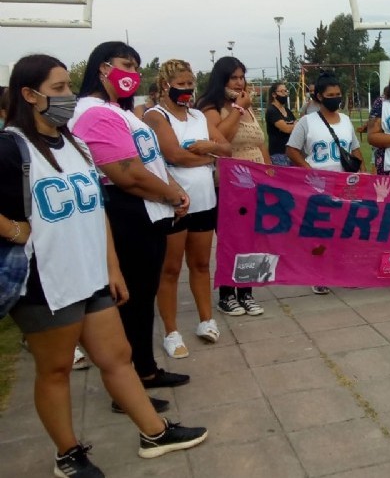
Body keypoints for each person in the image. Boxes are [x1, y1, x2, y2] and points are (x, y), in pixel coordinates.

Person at [2, 54, 207, 477]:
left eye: (67, 88)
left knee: (117, 356)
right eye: (58, 89)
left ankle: (154, 433)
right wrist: (15, 232)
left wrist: (111, 268)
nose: (68, 97)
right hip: (46, 281)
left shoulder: (73, 144)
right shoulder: (10, 147)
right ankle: (68, 454)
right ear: (29, 94)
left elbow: (97, 212)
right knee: (56, 369)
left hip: (91, 274)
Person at [70, 41, 192, 393]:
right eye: (126, 64)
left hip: (149, 211)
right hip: (128, 212)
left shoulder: (119, 111)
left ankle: (146, 369)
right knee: (130, 302)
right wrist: (171, 194)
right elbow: (126, 173)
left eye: (137, 67)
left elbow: (149, 162)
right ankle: (128, 387)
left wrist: (173, 192)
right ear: (103, 67)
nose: (133, 74)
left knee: (141, 300)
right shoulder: (95, 113)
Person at [144, 59, 231, 359]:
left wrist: (209, 148)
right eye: (180, 84)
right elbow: (174, 155)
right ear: (165, 85)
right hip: (174, 202)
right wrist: (210, 156)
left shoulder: (197, 115)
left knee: (201, 265)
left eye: (191, 83)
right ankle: (171, 331)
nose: (187, 89)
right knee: (169, 269)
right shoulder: (156, 116)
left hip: (205, 200)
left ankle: (206, 320)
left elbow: (226, 148)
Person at [197, 56, 268, 317]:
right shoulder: (211, 106)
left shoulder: (247, 106)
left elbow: (259, 143)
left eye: (242, 77)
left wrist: (271, 173)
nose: (240, 83)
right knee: (231, 239)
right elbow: (220, 140)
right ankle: (227, 294)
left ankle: (246, 292)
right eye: (234, 78)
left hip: (255, 183)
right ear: (222, 79)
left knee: (251, 239)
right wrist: (238, 108)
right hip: (228, 184)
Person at [287, 72, 365, 294]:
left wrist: (363, 172)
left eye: (338, 94)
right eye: (330, 95)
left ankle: (344, 272)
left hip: (344, 184)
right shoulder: (306, 122)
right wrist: (308, 170)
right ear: (319, 96)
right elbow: (291, 149)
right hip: (318, 185)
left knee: (346, 230)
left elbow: (355, 148)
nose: (335, 98)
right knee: (321, 232)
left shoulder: (347, 121)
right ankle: (319, 273)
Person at [265, 81, 296, 166]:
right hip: (278, 155)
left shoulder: (287, 111)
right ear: (274, 94)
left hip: (291, 153)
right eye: (282, 91)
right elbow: (286, 129)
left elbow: (296, 127)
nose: (285, 94)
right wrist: (295, 125)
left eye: (286, 91)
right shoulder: (272, 111)